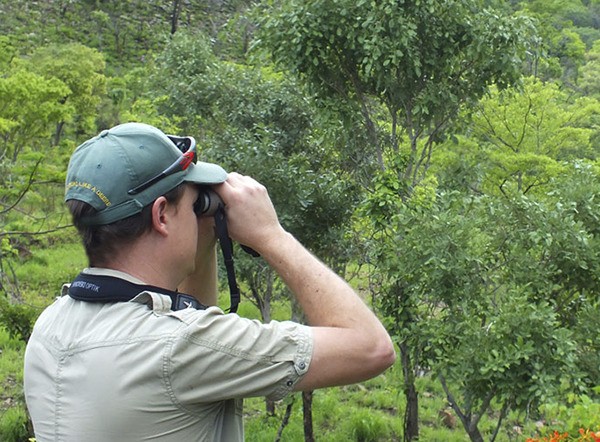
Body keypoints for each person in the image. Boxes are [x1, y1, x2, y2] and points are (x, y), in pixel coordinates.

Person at [23, 122, 396, 441]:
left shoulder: (50, 326)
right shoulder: (178, 350)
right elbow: (371, 347)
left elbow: (187, 316)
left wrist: (200, 235)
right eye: (192, 203)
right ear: (161, 216)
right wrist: (271, 235)